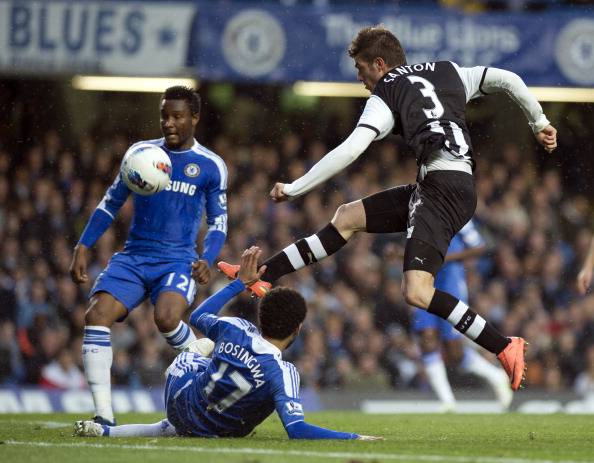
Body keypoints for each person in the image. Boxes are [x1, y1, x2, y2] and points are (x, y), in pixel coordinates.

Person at [219, 25, 558, 391]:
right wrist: (539, 122)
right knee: (346, 217)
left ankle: (503, 345)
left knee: (416, 291)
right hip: (446, 184)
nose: (360, 79)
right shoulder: (449, 71)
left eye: (361, 69)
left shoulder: (387, 91)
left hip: (442, 189)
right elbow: (507, 79)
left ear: (380, 64)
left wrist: (295, 188)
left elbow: (351, 149)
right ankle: (265, 273)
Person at [74, 247, 381, 441]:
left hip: (181, 406)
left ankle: (106, 431)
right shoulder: (285, 372)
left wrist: (239, 284)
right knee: (215, 358)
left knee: (204, 346)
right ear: (298, 329)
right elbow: (297, 429)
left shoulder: (236, 328)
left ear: (261, 317)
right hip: (222, 429)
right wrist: (352, 437)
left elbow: (198, 315)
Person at [69, 86, 228, 426]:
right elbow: (110, 203)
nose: (168, 123)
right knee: (96, 315)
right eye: (164, 116)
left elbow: (218, 222)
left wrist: (208, 257)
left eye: (177, 116)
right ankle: (103, 416)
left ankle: (206, 368)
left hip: (178, 260)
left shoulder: (210, 165)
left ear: (195, 118)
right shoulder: (140, 155)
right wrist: (83, 244)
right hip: (134, 257)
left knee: (166, 318)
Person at [412, 220, 512, 411]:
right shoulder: (418, 214)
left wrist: (446, 258)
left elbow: (479, 246)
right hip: (423, 280)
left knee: (454, 351)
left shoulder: (457, 216)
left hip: (450, 281)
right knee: (427, 337)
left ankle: (495, 376)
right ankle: (447, 402)